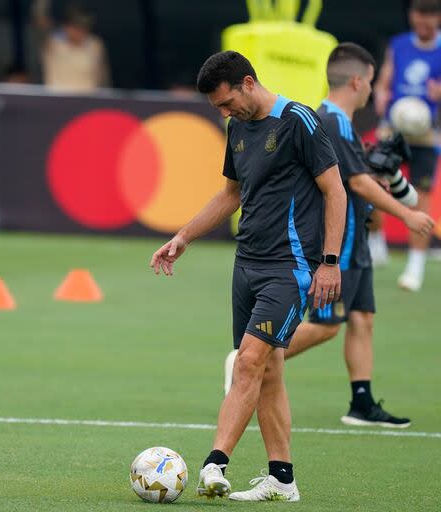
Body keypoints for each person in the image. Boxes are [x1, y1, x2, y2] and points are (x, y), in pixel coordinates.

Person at [150, 51, 346, 502]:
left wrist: (329, 262)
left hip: (290, 267)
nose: (223, 113)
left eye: (225, 103)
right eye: (217, 108)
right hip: (247, 265)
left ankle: (214, 464)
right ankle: (282, 479)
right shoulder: (237, 127)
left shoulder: (299, 121)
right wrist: (184, 236)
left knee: (248, 361)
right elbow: (231, 194)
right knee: (269, 368)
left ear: (248, 83)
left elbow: (335, 191)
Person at [285, 43, 436, 428]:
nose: (372, 89)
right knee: (325, 326)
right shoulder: (331, 121)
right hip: (340, 242)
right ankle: (248, 358)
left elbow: (358, 176)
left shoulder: (341, 122)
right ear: (356, 81)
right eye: (370, 81)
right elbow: (356, 183)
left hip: (357, 240)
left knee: (363, 318)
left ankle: (362, 402)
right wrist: (407, 213)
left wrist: (384, 173)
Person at [372, 0, 441, 291]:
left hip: (426, 133)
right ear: (412, 15)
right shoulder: (398, 45)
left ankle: (415, 266)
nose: (424, 20)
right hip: (393, 127)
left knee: (421, 195)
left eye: (431, 15)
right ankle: (375, 241)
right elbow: (384, 81)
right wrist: (379, 93)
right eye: (419, 14)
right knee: (371, 182)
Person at [32, 1, 110, 92]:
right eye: (76, 27)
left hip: (88, 100)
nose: (80, 32)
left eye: (84, 28)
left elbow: (103, 77)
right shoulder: (53, 42)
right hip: (58, 100)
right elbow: (40, 19)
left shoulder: (95, 45)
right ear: (66, 26)